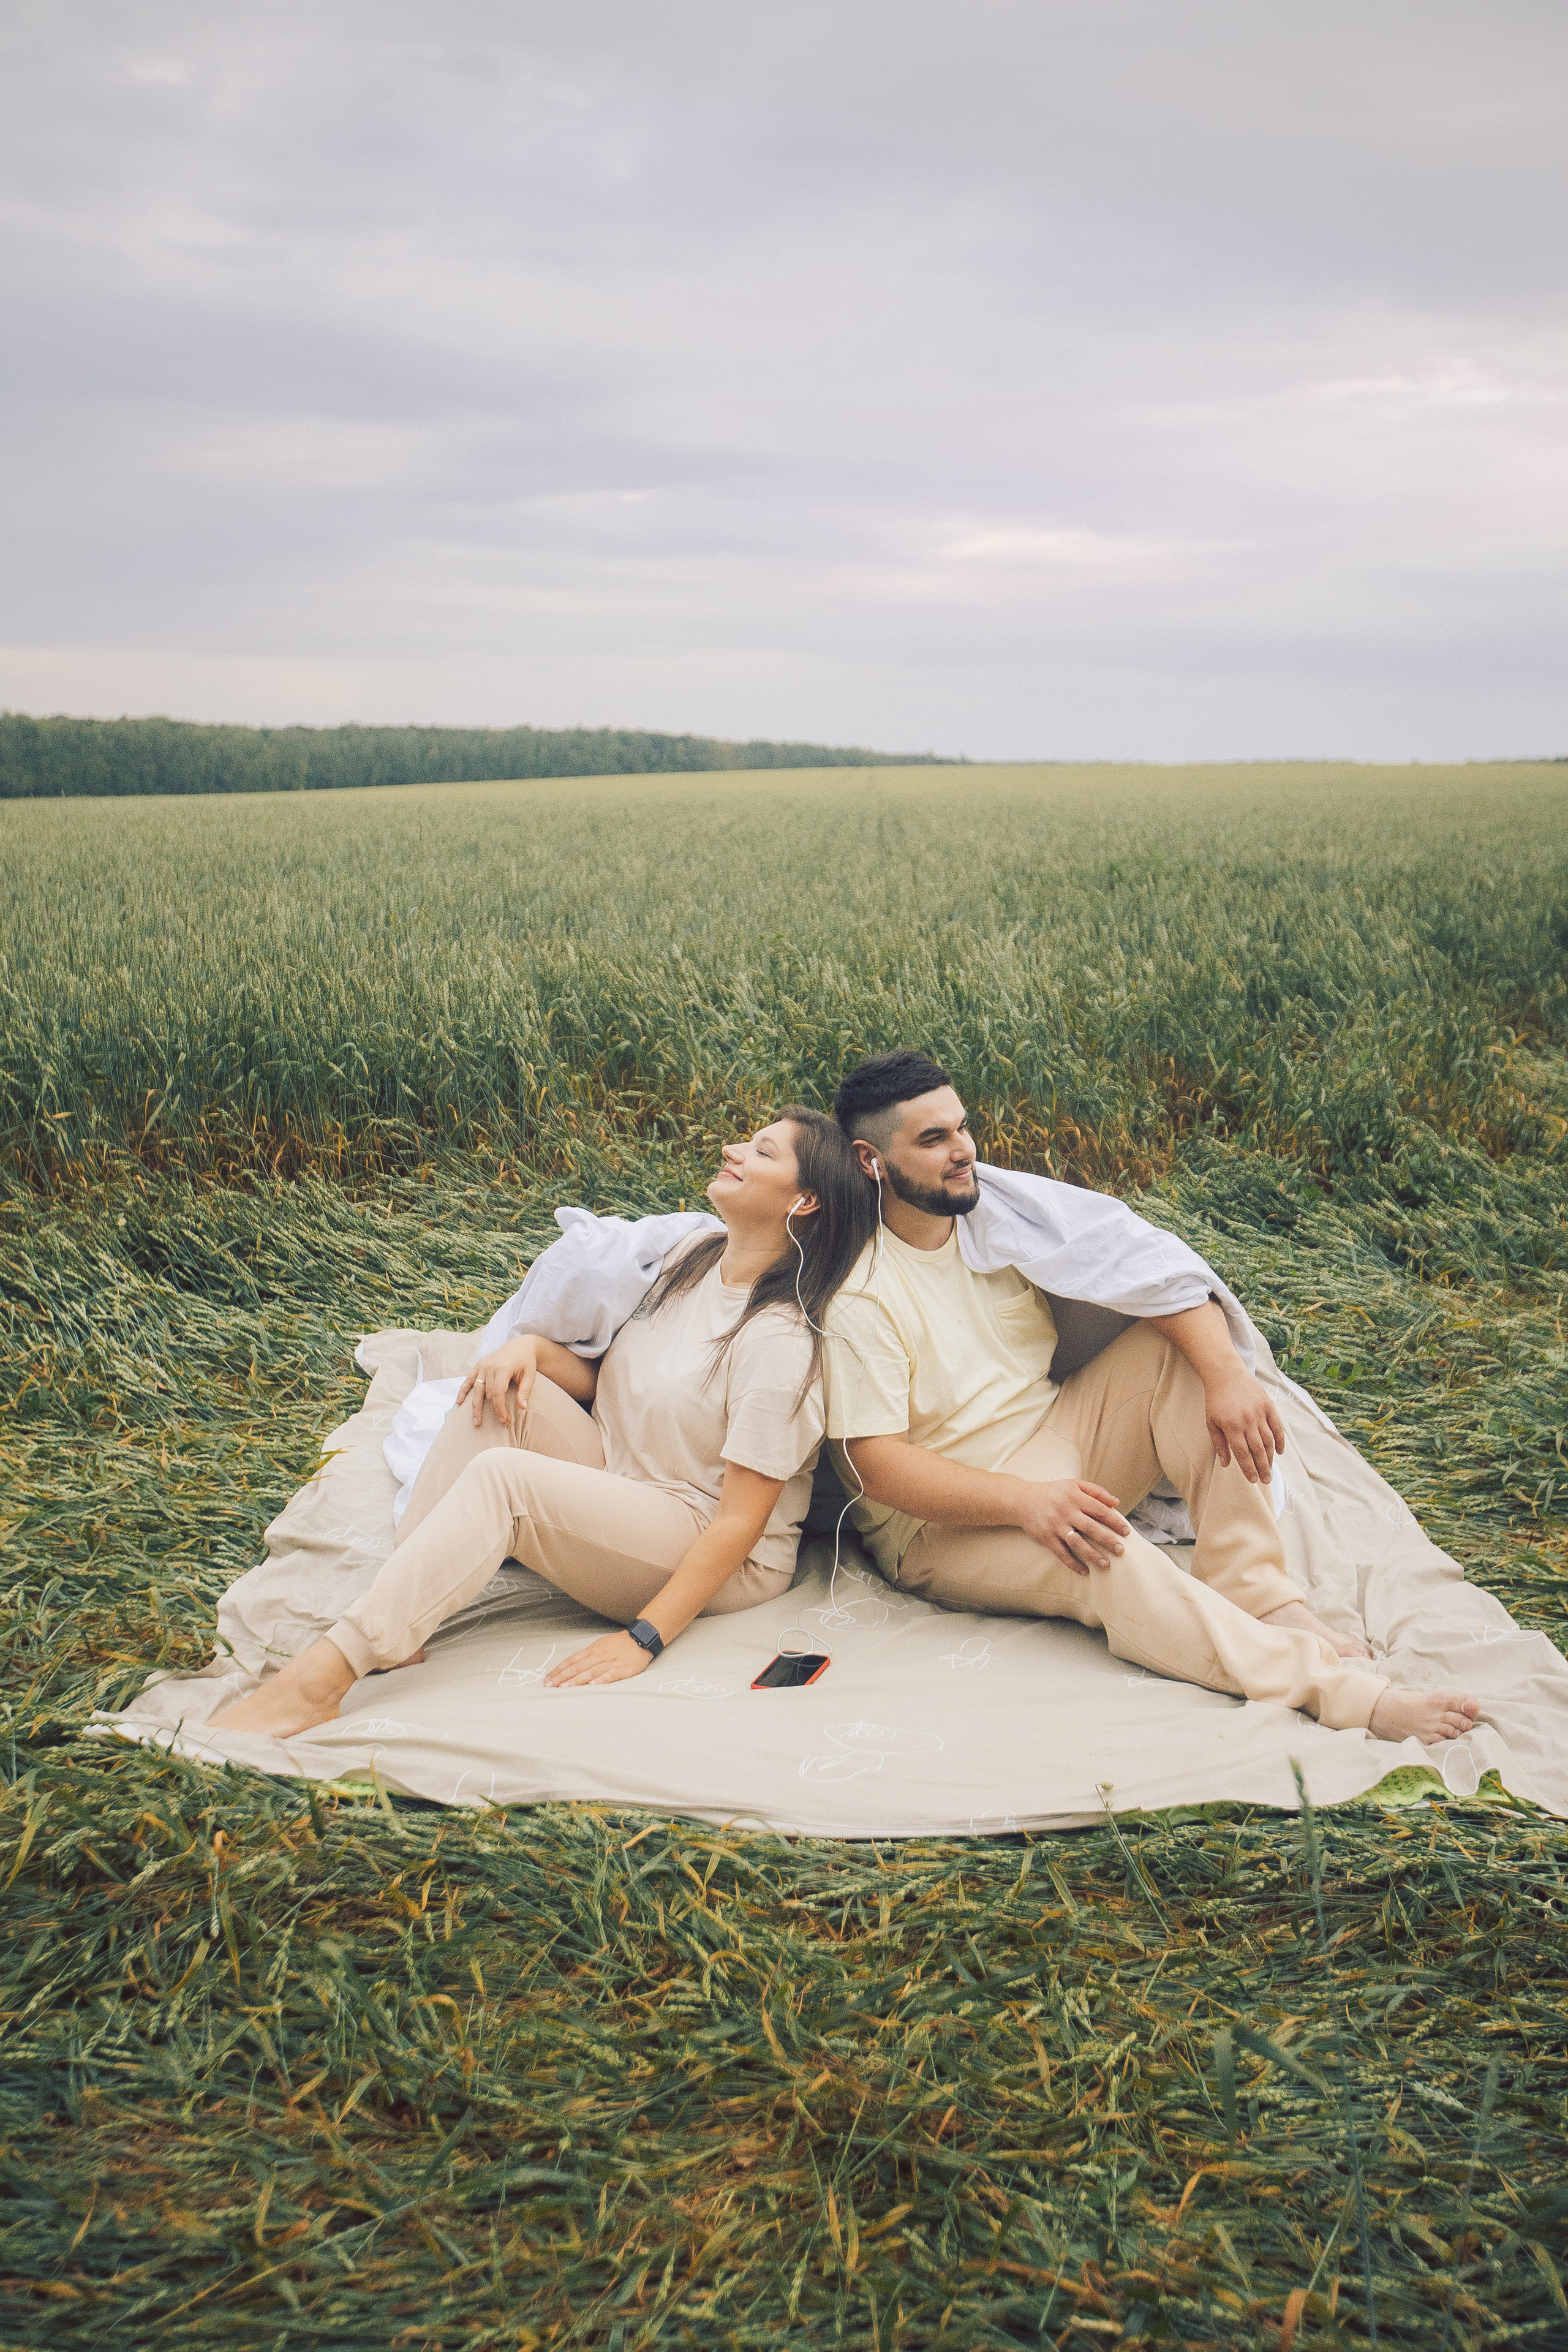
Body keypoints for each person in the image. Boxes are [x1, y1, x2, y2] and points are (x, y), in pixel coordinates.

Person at [821, 1049, 1480, 1747]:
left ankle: (1259, 1593)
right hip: (946, 1526)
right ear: (871, 1160)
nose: (964, 1152)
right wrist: (1027, 1503)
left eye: (961, 1128)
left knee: (1186, 1352)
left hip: (1057, 1435)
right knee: (1106, 1554)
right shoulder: (858, 1292)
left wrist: (1227, 1377)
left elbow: (1143, 1269)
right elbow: (877, 1464)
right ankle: (1339, 1693)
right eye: (933, 1140)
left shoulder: (995, 1217)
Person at [214, 1107, 875, 1738]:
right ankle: (399, 1621)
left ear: (804, 1202)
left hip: (713, 1545)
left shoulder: (781, 1339)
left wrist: (644, 1638)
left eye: (761, 1152)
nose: (733, 1149)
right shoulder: (695, 1257)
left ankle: (320, 1683)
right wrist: (526, 1351)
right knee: (498, 1393)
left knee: (505, 1479)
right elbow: (606, 1382)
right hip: (625, 1474)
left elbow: (740, 1523)